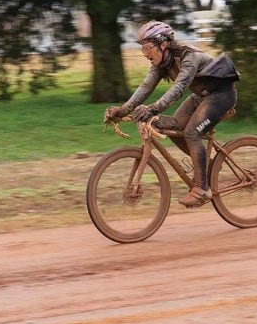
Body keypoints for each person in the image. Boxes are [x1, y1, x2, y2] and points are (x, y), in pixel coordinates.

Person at [103, 20, 240, 208]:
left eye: (149, 47)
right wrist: (122, 110)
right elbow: (145, 88)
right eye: (143, 47)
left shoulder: (188, 56)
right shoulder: (161, 63)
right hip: (201, 96)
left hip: (221, 96)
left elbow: (179, 88)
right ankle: (206, 166)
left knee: (192, 132)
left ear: (164, 44)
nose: (145, 53)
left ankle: (202, 188)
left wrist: (151, 109)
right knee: (171, 125)